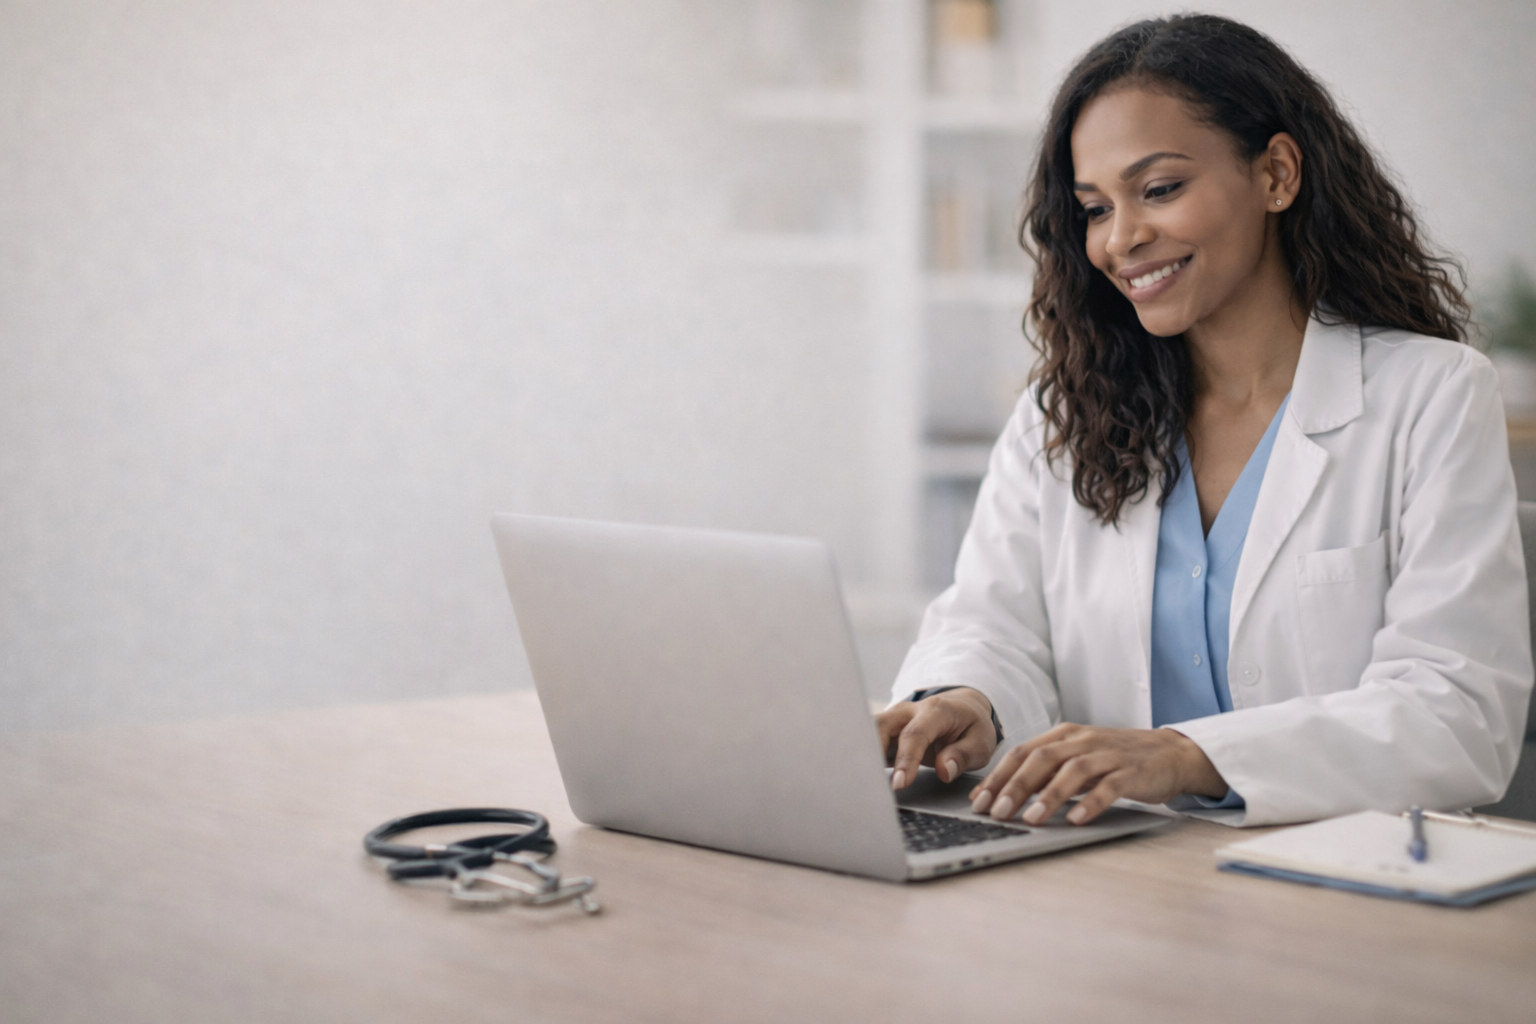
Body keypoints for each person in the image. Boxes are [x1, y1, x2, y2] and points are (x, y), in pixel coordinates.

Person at [878, 14, 1534, 828]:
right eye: (1093, 208)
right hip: (1113, 875)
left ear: (1277, 174)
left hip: (1330, 893)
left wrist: (1187, 754)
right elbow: (993, 623)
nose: (1122, 239)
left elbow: (1458, 716)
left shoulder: (1430, 397)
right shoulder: (1067, 411)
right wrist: (965, 698)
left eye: (1159, 189)